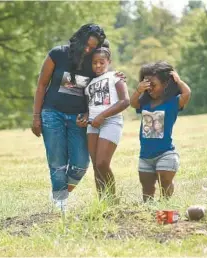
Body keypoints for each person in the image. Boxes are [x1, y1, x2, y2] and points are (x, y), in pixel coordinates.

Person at [31, 23, 112, 212]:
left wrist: (87, 114)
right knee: (57, 161)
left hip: (78, 118)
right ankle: (60, 204)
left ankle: (59, 195)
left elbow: (102, 84)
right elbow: (42, 86)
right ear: (78, 38)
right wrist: (36, 116)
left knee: (80, 164)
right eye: (86, 44)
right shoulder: (57, 54)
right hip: (52, 113)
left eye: (93, 47)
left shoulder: (94, 63)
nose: (87, 49)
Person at [130, 61, 191, 202]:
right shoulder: (145, 103)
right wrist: (139, 90)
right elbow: (132, 103)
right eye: (146, 84)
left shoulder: (172, 102)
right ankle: (149, 209)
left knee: (164, 181)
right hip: (145, 156)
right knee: (147, 188)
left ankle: (165, 204)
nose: (149, 88)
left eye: (153, 85)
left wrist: (178, 81)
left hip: (166, 153)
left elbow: (187, 93)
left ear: (165, 84)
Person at [77, 47, 130, 199]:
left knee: (102, 163)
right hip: (92, 125)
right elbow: (90, 107)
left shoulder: (116, 77)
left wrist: (102, 116)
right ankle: (102, 202)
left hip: (110, 122)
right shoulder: (88, 84)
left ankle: (113, 200)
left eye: (101, 62)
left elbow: (125, 101)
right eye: (95, 63)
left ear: (109, 62)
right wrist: (85, 118)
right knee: (96, 167)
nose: (98, 66)